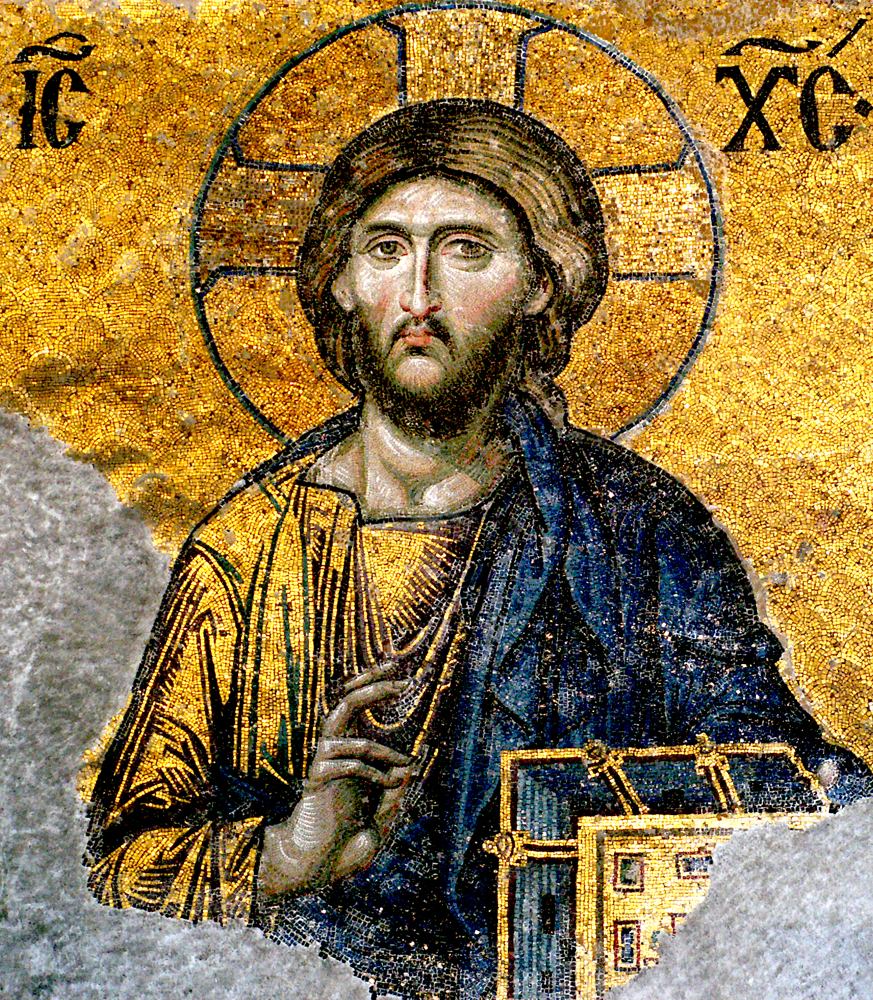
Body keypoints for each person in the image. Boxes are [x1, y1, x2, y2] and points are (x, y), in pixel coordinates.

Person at [83, 99, 873, 1000]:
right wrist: (289, 854)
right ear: (340, 281)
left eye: (466, 250)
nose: (418, 295)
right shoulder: (246, 553)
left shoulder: (638, 532)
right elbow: (111, 868)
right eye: (386, 249)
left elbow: (794, 794)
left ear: (541, 281)